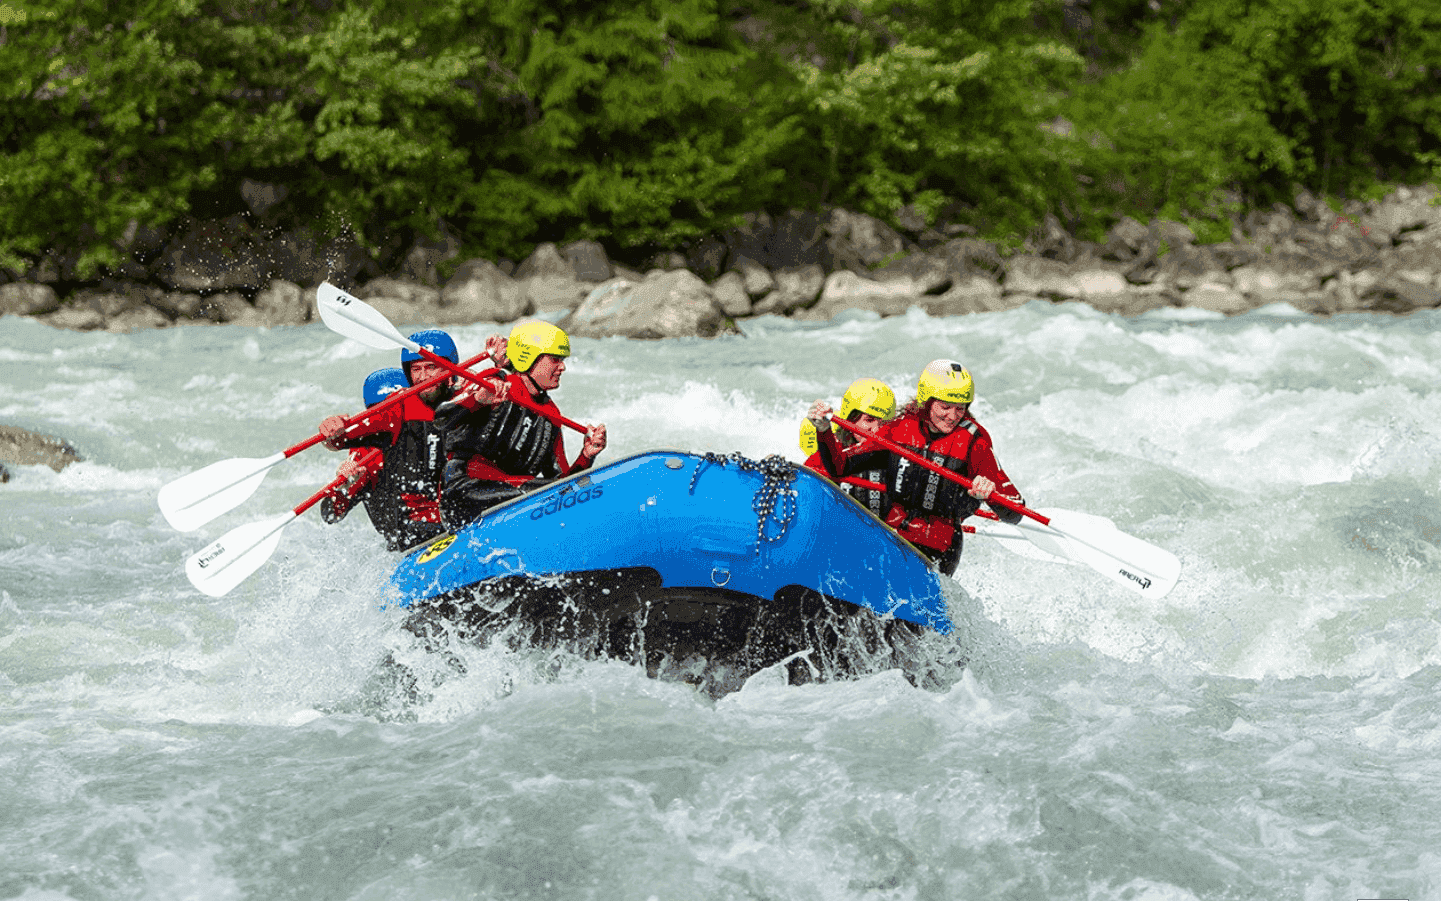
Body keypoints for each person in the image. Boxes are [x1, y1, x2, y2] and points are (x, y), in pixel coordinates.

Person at [810, 359, 1024, 575]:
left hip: (937, 551)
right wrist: (824, 430)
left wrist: (990, 492)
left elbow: (1015, 513)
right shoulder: (900, 428)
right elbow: (840, 466)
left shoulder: (975, 442)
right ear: (927, 400)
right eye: (945, 406)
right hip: (891, 536)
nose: (952, 416)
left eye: (960, 408)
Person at [436, 319, 607, 529]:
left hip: (511, 496)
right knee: (541, 491)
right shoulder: (494, 381)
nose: (562, 366)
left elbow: (563, 483)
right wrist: (478, 399)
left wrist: (587, 455)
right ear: (529, 359)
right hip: (464, 492)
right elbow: (442, 419)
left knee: (570, 491)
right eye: (555, 359)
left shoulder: (551, 414)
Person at [315, 330, 461, 551]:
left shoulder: (434, 413)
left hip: (442, 518)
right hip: (409, 536)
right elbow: (330, 513)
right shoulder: (365, 458)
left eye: (430, 367)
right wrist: (344, 485)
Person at [799, 377, 896, 517]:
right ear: (851, 418)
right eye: (869, 420)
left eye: (882, 423)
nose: (876, 430)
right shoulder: (827, 455)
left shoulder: (893, 454)